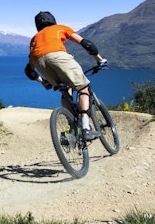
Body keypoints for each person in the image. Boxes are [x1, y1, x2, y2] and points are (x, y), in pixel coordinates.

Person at [24, 11, 107, 141]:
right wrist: (99, 60)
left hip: (40, 63)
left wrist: (43, 81)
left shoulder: (34, 38)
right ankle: (86, 128)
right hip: (58, 57)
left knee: (65, 91)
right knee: (83, 89)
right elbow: (87, 44)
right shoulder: (60, 28)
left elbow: (29, 71)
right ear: (52, 20)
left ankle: (72, 126)